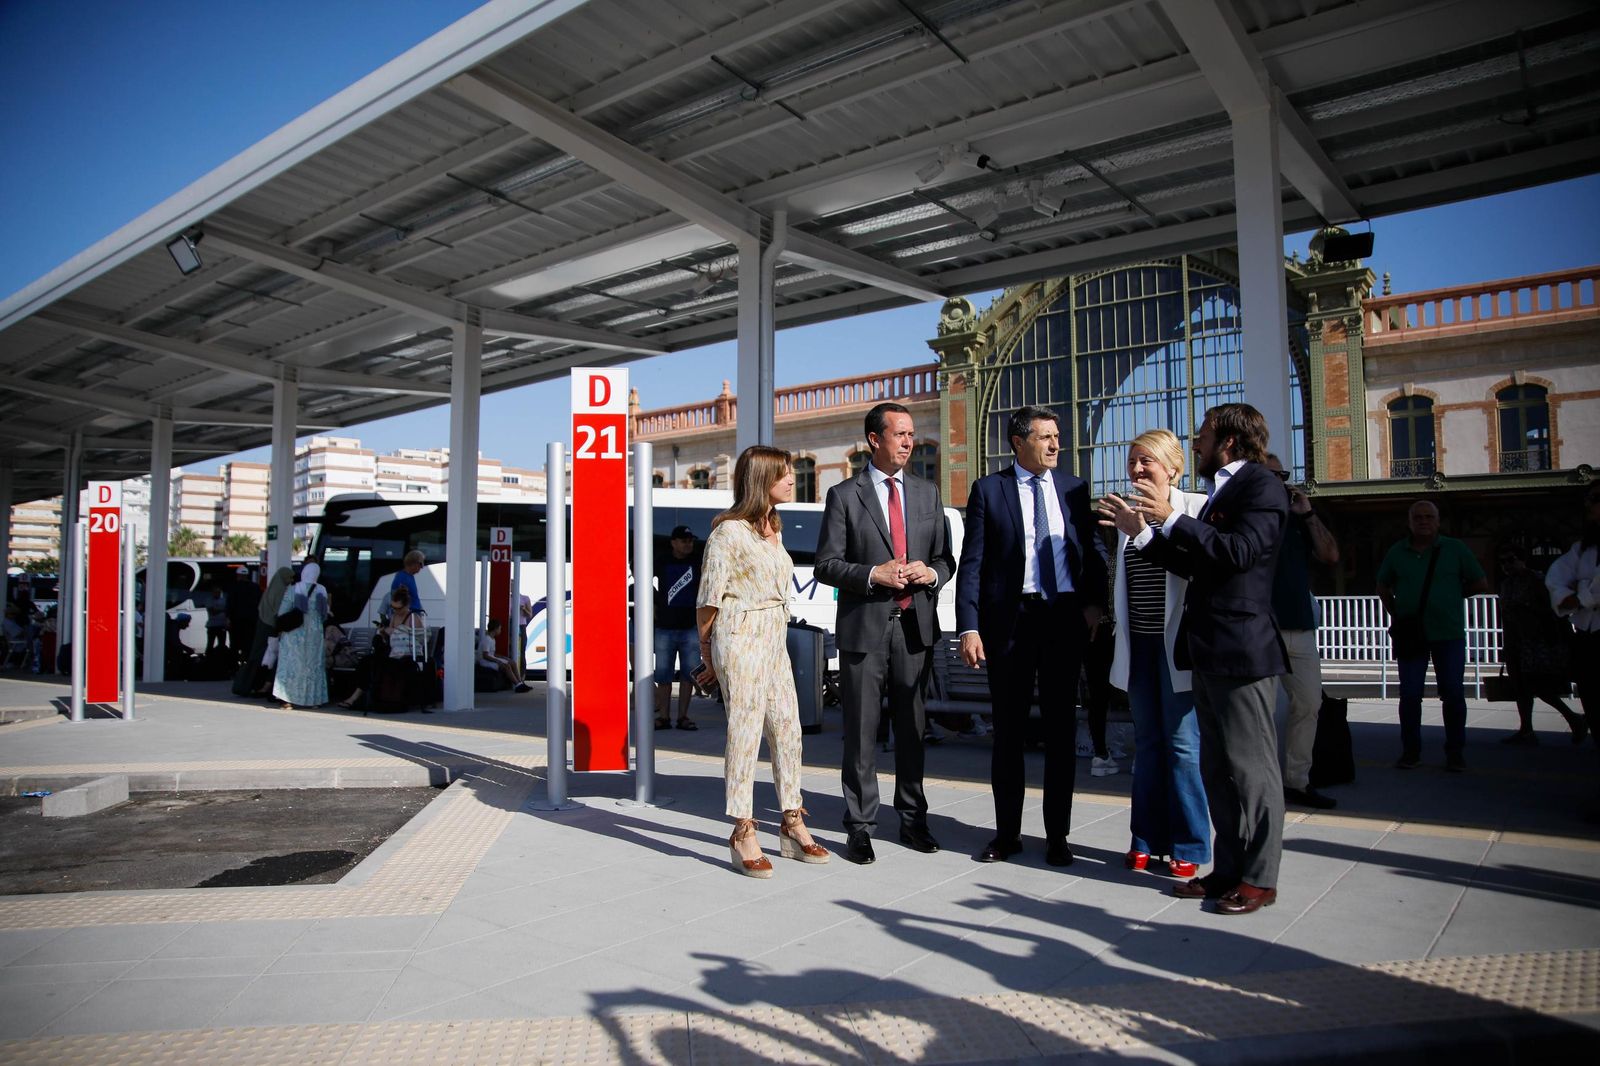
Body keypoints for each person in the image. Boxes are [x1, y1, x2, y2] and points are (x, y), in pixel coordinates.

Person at [1105, 403, 1289, 916]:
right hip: (1206, 649)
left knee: (1252, 771)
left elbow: (1238, 553)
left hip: (1243, 650)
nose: (1198, 442)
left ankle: (1259, 878)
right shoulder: (1222, 492)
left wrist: (1173, 518)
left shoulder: (1260, 485)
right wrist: (1141, 533)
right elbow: (1194, 563)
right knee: (1219, 770)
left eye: (1205, 434)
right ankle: (1226, 870)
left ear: (1228, 440)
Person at [956, 404, 1109, 867]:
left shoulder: (1074, 489)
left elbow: (1094, 550)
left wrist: (1095, 604)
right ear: (1018, 442)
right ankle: (1007, 835)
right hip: (1011, 622)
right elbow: (974, 564)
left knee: (1062, 731)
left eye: (1057, 436)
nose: (1055, 444)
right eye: (1045, 437)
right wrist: (969, 625)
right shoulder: (989, 490)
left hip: (1063, 619)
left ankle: (1058, 836)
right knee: (1009, 733)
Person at [816, 402, 956, 864]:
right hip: (865, 629)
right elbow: (826, 565)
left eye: (912, 434)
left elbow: (945, 559)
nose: (908, 442)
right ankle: (859, 825)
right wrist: (874, 574)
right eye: (900, 434)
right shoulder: (843, 495)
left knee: (913, 730)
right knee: (860, 732)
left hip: (914, 628)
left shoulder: (927, 492)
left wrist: (929, 574)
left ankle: (914, 819)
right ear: (875, 439)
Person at [696, 445, 829, 877]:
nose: (793, 479)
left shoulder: (775, 528)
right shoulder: (727, 533)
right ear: (761, 480)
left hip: (774, 636)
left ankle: (792, 822)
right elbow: (707, 601)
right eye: (785, 474)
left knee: (789, 729)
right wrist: (709, 655)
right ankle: (742, 828)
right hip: (740, 635)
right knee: (746, 730)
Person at [1097, 429, 1211, 880]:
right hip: (1139, 646)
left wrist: (1145, 530)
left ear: (1173, 467)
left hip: (1177, 649)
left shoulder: (1196, 510)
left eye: (1148, 461)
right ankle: (1144, 838)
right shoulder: (1128, 517)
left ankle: (1190, 843)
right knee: (1147, 746)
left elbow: (1198, 568)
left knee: (1183, 746)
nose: (1138, 469)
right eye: (1133, 461)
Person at [1376, 501, 1489, 772]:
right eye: (1418, 517)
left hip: (1448, 634)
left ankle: (1455, 753)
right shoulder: (1397, 552)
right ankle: (1411, 752)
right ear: (1410, 522)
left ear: (1438, 521)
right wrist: (1398, 614)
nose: (1423, 521)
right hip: (1412, 636)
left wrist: (1450, 597)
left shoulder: (1455, 549)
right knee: (1410, 694)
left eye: (1429, 517)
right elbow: (1382, 586)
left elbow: (1480, 582)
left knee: (1452, 694)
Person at [1263, 453, 1341, 809]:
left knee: (1309, 704)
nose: (1279, 481)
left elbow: (1330, 555)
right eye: (1271, 475)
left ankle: (1297, 780)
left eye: (1282, 475)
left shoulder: (1298, 521)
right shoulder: (1252, 518)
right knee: (1257, 711)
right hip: (1263, 628)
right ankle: (1258, 781)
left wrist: (1307, 513)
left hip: (1301, 628)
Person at [1546, 486, 1600, 814]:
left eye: (1595, 505)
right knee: (1595, 709)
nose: (1591, 512)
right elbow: (1556, 581)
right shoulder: (1582, 550)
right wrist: (1578, 595)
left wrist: (1582, 596)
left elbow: (1581, 592)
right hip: (1589, 640)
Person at [1496, 547, 1583, 744]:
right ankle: (1526, 729)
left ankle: (1573, 718)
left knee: (1538, 684)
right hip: (1515, 641)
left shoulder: (1537, 581)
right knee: (1520, 687)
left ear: (1522, 560)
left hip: (1537, 642)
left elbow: (1552, 612)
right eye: (1502, 562)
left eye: (1511, 560)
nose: (1507, 566)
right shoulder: (1507, 584)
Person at [335, 586, 428, 709]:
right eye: (393, 608)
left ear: (406, 605)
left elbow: (420, 640)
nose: (395, 611)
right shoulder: (394, 617)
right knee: (366, 662)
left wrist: (394, 631)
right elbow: (390, 640)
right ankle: (355, 697)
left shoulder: (413, 618)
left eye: (398, 608)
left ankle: (356, 698)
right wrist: (384, 633)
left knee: (375, 663)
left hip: (406, 657)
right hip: (393, 654)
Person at [653, 525, 704, 731]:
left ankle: (683, 716)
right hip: (664, 627)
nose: (688, 544)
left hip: (690, 627)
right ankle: (664, 717)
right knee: (663, 675)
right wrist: (653, 604)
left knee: (689, 675)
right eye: (684, 540)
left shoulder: (697, 562)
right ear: (673, 542)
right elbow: (638, 577)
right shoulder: (661, 561)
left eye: (690, 540)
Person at [273, 562, 330, 709]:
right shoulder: (322, 590)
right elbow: (324, 614)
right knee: (313, 666)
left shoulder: (293, 589)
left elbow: (282, 611)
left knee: (292, 665)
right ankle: (313, 700)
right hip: (315, 634)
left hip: (295, 634)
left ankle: (287, 699)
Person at [237, 565, 293, 697]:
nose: (291, 580)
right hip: (270, 629)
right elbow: (279, 612)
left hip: (263, 625)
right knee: (265, 657)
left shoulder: (270, 590)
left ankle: (249, 685)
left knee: (258, 655)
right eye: (289, 577)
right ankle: (254, 685)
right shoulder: (281, 591)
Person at [478, 617, 531, 693]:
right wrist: (498, 661)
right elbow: (485, 655)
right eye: (499, 629)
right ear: (495, 629)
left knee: (512, 662)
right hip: (484, 661)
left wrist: (503, 658)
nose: (500, 631)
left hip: (490, 658)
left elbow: (492, 653)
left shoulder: (492, 639)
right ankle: (517, 685)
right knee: (506, 666)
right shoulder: (487, 639)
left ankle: (520, 682)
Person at [226, 567, 261, 666]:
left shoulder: (234, 587)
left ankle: (233, 667)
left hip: (236, 621)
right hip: (251, 621)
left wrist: (228, 618)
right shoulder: (255, 587)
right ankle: (248, 666)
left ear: (238, 575)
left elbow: (230, 604)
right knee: (249, 644)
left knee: (235, 645)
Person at [388, 550, 426, 618]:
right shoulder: (401, 578)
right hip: (407, 618)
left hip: (413, 616)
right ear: (414, 563)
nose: (421, 568)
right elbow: (397, 600)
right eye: (421, 564)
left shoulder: (410, 576)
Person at [198, 578, 229, 656]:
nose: (217, 594)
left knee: (222, 645)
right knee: (210, 644)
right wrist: (222, 610)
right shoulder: (209, 600)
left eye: (218, 592)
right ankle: (208, 658)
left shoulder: (224, 600)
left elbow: (227, 611)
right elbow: (212, 612)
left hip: (222, 625)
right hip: (212, 625)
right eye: (215, 592)